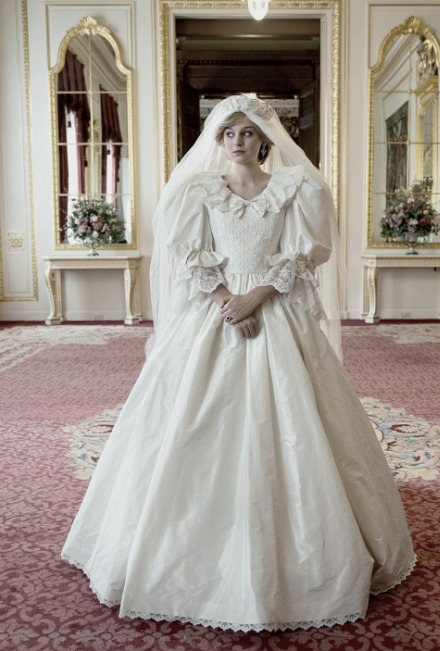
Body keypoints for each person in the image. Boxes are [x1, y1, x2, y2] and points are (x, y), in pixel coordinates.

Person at [62, 95, 416, 632]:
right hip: (217, 314)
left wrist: (259, 298)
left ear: (265, 139)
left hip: (274, 312)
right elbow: (188, 255)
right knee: (188, 423)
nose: (237, 141)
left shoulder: (296, 188)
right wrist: (230, 301)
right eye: (228, 132)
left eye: (247, 132)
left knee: (300, 428)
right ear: (218, 139)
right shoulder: (199, 191)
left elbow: (305, 255)